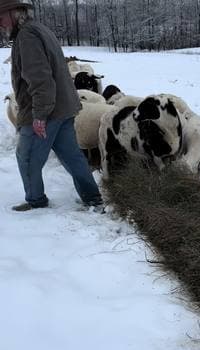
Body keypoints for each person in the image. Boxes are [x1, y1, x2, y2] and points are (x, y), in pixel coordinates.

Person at [0, 0, 103, 212]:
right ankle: (92, 197)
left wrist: (39, 116)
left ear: (13, 13)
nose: (0, 23)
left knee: (26, 157)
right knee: (72, 156)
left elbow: (40, 79)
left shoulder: (27, 36)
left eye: (0, 16)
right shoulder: (38, 28)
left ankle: (36, 200)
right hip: (63, 106)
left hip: (46, 110)